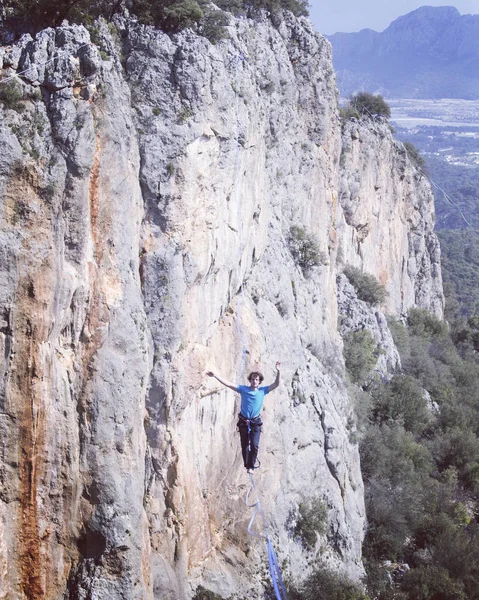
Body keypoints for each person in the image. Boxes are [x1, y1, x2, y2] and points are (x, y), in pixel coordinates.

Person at [206, 362, 281, 474]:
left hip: (255, 422)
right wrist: (215, 375)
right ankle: (248, 466)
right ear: (250, 380)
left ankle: (251, 466)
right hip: (244, 422)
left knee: (254, 446)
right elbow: (229, 384)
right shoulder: (243, 389)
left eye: (256, 380)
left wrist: (278, 371)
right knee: (245, 445)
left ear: (259, 382)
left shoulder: (262, 391)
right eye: (252, 379)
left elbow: (276, 384)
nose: (254, 381)